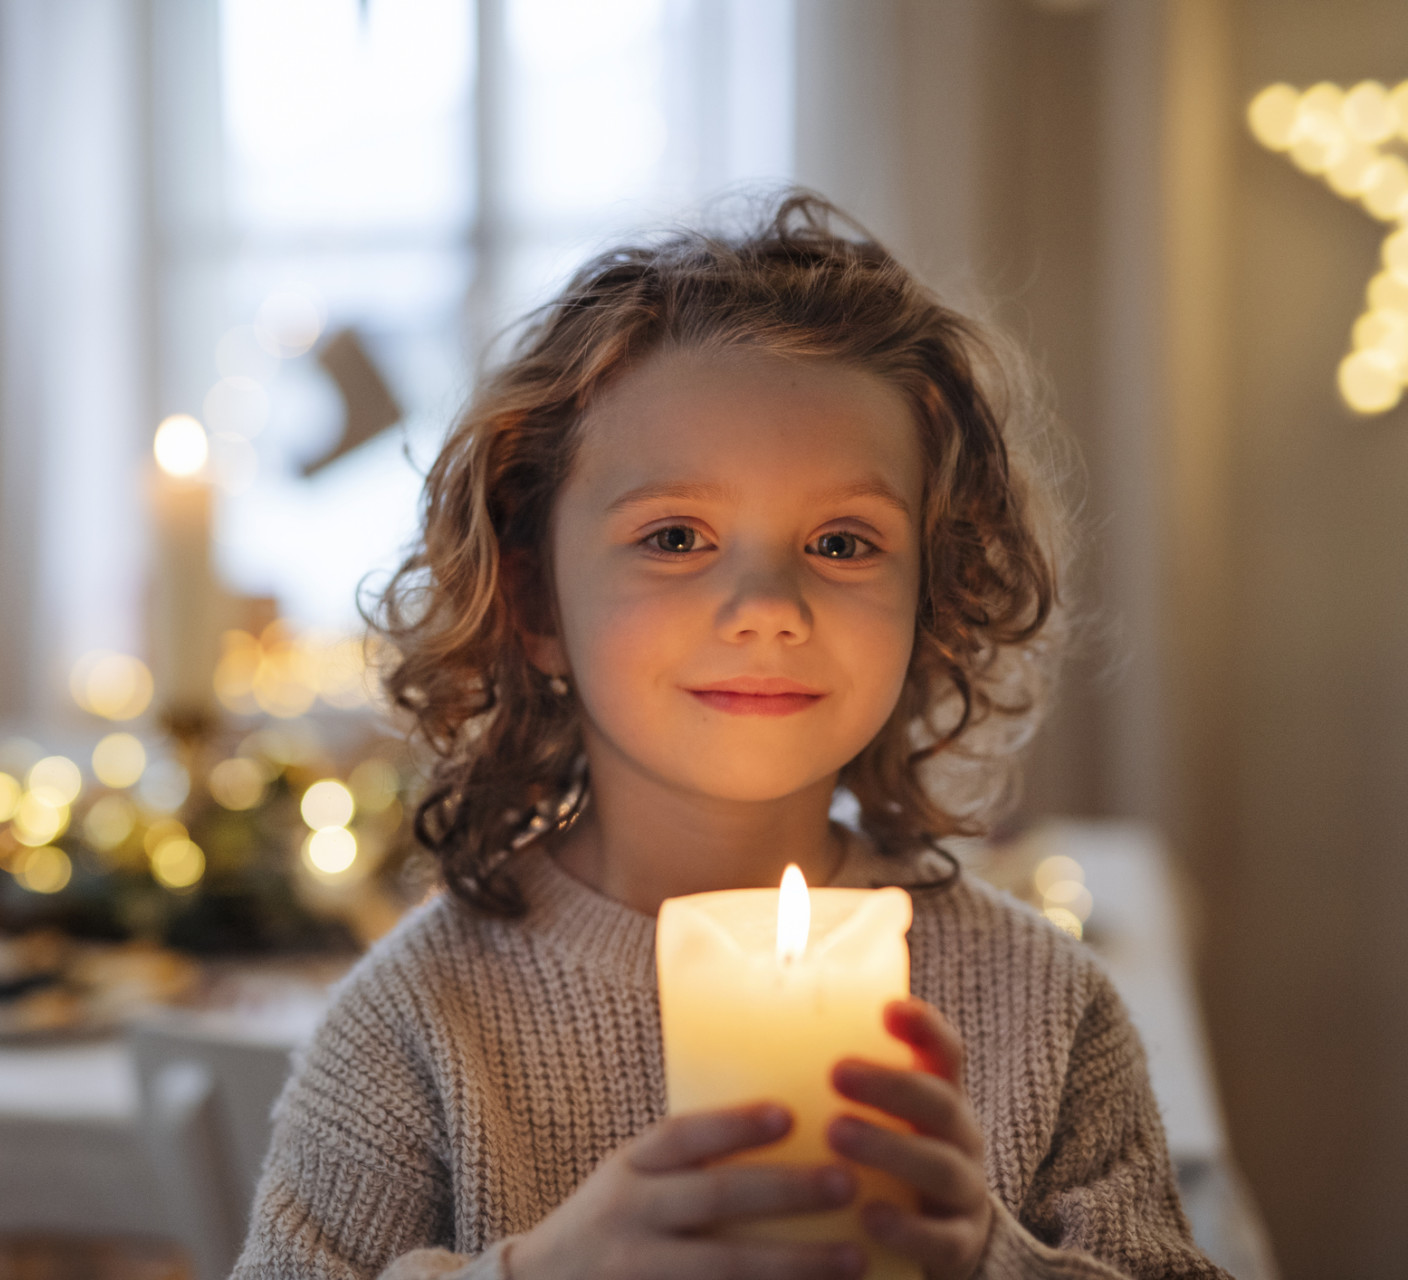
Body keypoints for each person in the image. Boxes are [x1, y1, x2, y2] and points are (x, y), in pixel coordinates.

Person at [230, 192, 1227, 1280]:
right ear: (536, 604)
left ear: (930, 596)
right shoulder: (420, 1020)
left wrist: (988, 1259)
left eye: (843, 541)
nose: (767, 603)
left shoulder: (1044, 1001)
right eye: (674, 535)